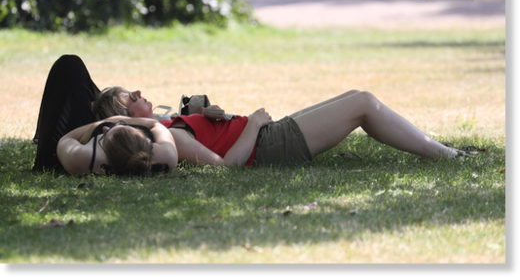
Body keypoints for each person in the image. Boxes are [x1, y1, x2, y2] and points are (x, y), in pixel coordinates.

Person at [93, 85, 469, 169]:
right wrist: (253, 124)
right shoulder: (172, 137)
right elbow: (226, 168)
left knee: (358, 96)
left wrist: (207, 114)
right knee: (363, 104)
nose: (140, 93)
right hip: (269, 146)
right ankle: (445, 154)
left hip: (272, 136)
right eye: (130, 97)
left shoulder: (171, 125)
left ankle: (441, 150)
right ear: (127, 116)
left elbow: (215, 137)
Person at [33, 55, 177, 175]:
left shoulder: (86, 158)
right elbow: (156, 124)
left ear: (104, 131)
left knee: (69, 64)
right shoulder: (164, 155)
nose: (139, 92)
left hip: (74, 142)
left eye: (132, 97)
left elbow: (66, 139)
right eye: (133, 96)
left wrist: (109, 121)